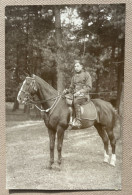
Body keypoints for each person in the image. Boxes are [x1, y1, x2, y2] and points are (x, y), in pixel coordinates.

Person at [64, 60, 92, 128]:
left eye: (77, 66)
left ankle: (78, 121)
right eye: (75, 66)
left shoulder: (86, 74)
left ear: (81, 66)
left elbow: (89, 87)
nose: (76, 67)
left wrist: (79, 92)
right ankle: (69, 120)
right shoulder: (74, 77)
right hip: (75, 95)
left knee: (76, 102)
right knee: (65, 99)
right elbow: (71, 88)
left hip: (84, 96)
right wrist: (67, 91)